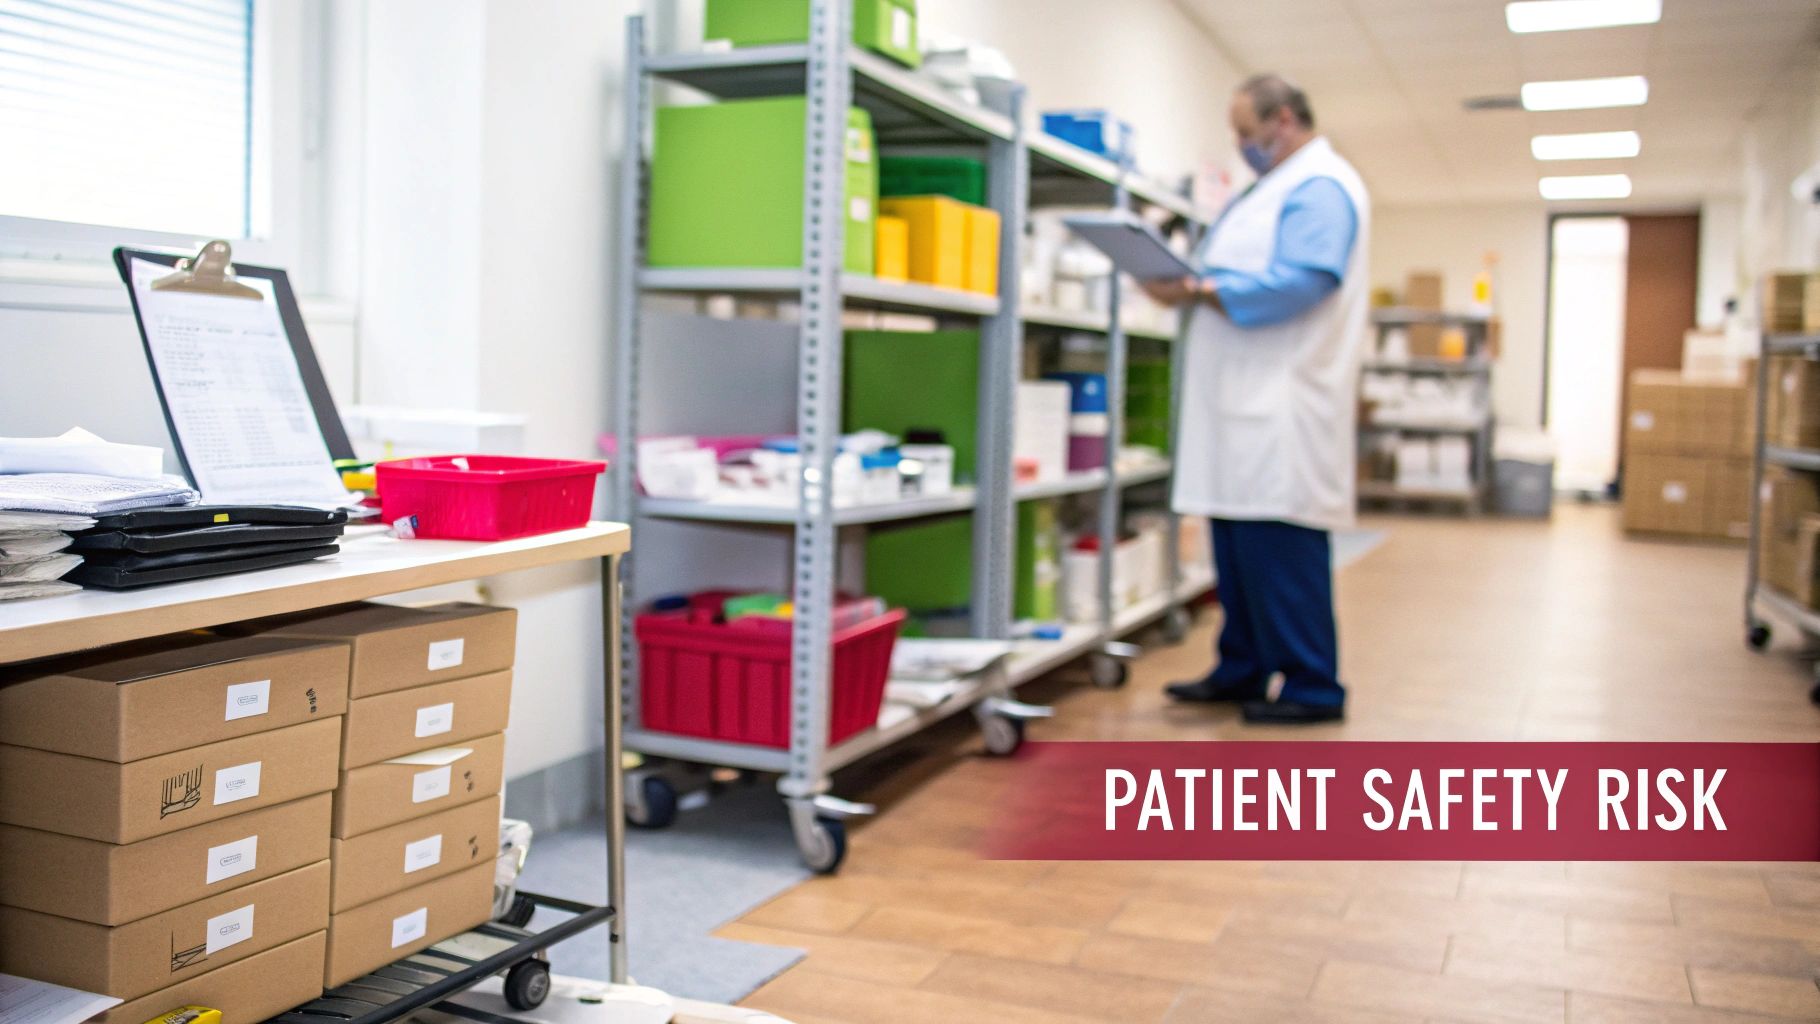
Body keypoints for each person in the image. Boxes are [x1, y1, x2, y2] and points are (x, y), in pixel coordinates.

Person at [1142, 73, 1371, 725]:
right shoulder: (1269, 190)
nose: (1242, 145)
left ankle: (1312, 687)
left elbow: (1304, 281)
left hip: (1283, 405)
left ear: (1285, 120)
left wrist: (1197, 290)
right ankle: (1241, 668)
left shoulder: (1319, 186)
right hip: (1243, 403)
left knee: (1281, 547)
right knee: (1238, 546)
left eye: (1247, 132)